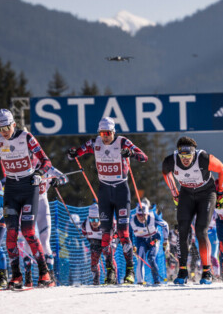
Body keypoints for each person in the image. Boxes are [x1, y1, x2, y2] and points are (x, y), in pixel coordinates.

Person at [0, 108, 62, 289]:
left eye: (7, 128)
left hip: (29, 187)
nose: (4, 132)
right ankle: (16, 275)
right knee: (11, 232)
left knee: (28, 231)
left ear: (14, 124)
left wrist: (39, 173)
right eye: (0, 129)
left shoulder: (26, 137)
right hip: (11, 188)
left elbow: (46, 161)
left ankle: (44, 273)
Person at [67, 118, 148, 284]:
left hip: (121, 191)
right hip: (104, 191)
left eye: (108, 133)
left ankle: (130, 271)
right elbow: (77, 152)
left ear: (113, 132)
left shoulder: (122, 142)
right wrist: (72, 153)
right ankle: (110, 271)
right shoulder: (94, 143)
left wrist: (131, 153)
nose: (105, 136)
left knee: (123, 232)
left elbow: (143, 157)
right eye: (102, 133)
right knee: (105, 233)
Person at [162, 136, 223, 285]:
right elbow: (166, 173)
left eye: (188, 156)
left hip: (206, 194)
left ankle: (207, 271)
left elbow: (222, 169)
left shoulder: (203, 158)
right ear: (178, 153)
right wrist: (174, 193)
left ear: (194, 153)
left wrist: (221, 191)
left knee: (201, 231)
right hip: (186, 194)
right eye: (182, 156)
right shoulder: (170, 161)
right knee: (182, 229)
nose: (185, 160)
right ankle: (182, 271)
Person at [130, 203, 169, 285]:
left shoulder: (153, 217)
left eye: (144, 215)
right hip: (141, 241)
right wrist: (132, 245)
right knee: (141, 258)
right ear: (136, 214)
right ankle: (140, 281)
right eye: (139, 215)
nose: (141, 217)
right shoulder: (132, 221)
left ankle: (156, 280)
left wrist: (165, 240)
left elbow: (165, 225)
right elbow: (129, 233)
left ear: (147, 214)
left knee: (151, 257)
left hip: (153, 239)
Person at [80, 203, 115, 285]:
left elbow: (116, 231)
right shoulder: (85, 225)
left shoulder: (107, 222)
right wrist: (90, 240)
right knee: (94, 261)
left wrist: (113, 240)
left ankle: (112, 278)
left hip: (107, 241)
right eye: (91, 220)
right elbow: (85, 233)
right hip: (95, 241)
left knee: (108, 257)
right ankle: (96, 280)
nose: (94, 223)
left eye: (96, 220)